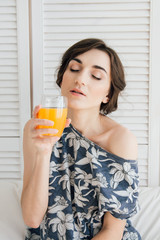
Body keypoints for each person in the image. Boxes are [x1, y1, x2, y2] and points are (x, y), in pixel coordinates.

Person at [21, 38, 141, 240]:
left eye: (96, 75)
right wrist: (43, 152)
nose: (81, 80)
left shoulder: (120, 139)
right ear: (62, 78)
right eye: (74, 69)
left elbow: (113, 230)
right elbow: (32, 219)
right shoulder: (37, 129)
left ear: (108, 94)